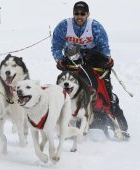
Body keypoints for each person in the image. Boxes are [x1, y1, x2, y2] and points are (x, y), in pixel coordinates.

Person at [51, 1, 130, 139]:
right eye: (76, 13)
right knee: (67, 89)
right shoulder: (64, 26)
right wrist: (59, 59)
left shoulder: (95, 26)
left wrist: (107, 60)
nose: (79, 16)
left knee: (104, 89)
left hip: (94, 61)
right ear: (73, 14)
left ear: (88, 14)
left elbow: (104, 47)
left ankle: (112, 116)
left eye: (82, 13)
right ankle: (65, 119)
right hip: (72, 62)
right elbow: (56, 46)